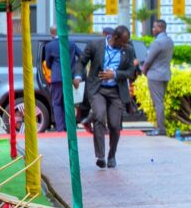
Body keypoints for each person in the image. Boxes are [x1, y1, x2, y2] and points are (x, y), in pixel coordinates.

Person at [74, 25, 136, 169]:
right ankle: (100, 156)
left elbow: (130, 72)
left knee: (114, 125)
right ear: (115, 37)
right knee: (99, 116)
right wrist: (77, 76)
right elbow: (81, 62)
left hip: (116, 91)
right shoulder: (95, 45)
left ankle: (111, 155)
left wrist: (115, 74)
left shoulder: (128, 50)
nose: (125, 45)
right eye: (123, 42)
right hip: (98, 89)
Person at [43, 26, 83, 133]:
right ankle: (69, 127)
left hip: (56, 78)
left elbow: (48, 63)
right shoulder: (71, 43)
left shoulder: (49, 46)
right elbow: (82, 56)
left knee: (57, 103)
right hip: (70, 78)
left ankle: (60, 128)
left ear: (52, 34)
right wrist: (76, 70)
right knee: (68, 103)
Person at [141, 19, 173, 136]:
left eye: (154, 27)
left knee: (158, 103)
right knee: (160, 102)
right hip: (165, 74)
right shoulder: (169, 41)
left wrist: (143, 70)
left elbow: (148, 60)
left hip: (155, 76)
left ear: (160, 28)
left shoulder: (157, 43)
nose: (153, 29)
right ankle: (161, 128)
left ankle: (160, 129)